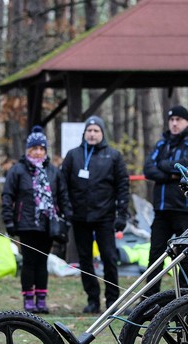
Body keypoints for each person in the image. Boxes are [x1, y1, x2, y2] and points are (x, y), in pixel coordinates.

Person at [62, 116, 130, 314]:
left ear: (102, 133)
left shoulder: (114, 156)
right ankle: (92, 299)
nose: (92, 134)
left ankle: (112, 300)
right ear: (84, 133)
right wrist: (67, 210)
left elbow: (123, 187)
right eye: (89, 130)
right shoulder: (73, 156)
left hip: (105, 217)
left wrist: (122, 214)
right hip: (80, 217)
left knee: (109, 258)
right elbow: (63, 185)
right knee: (85, 260)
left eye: (96, 131)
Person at [2, 125, 72, 314]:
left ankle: (41, 299)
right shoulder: (18, 170)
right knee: (29, 261)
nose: (38, 152)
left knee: (42, 261)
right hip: (26, 224)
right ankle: (28, 299)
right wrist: (8, 220)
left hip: (48, 224)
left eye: (42, 149)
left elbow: (63, 195)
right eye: (35, 149)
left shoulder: (54, 171)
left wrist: (67, 217)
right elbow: (8, 196)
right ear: (28, 150)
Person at [142, 105, 188, 297]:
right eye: (171, 120)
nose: (174, 123)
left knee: (184, 257)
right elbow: (148, 169)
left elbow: (186, 168)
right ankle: (148, 300)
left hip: (185, 210)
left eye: (178, 119)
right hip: (161, 210)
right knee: (155, 256)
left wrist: (163, 169)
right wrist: (170, 172)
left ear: (187, 122)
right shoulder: (162, 144)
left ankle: (184, 302)